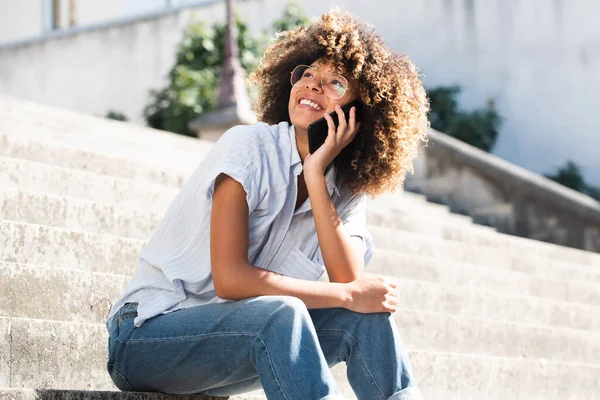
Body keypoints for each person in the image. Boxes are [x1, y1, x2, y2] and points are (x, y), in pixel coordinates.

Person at [105, 8, 429, 400]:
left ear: (360, 113)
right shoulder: (249, 147)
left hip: (234, 348)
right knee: (283, 313)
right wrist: (348, 296)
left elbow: (348, 280)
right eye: (308, 73)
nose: (312, 85)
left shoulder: (344, 190)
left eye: (335, 83)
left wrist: (314, 175)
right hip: (146, 337)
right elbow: (231, 279)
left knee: (366, 319)